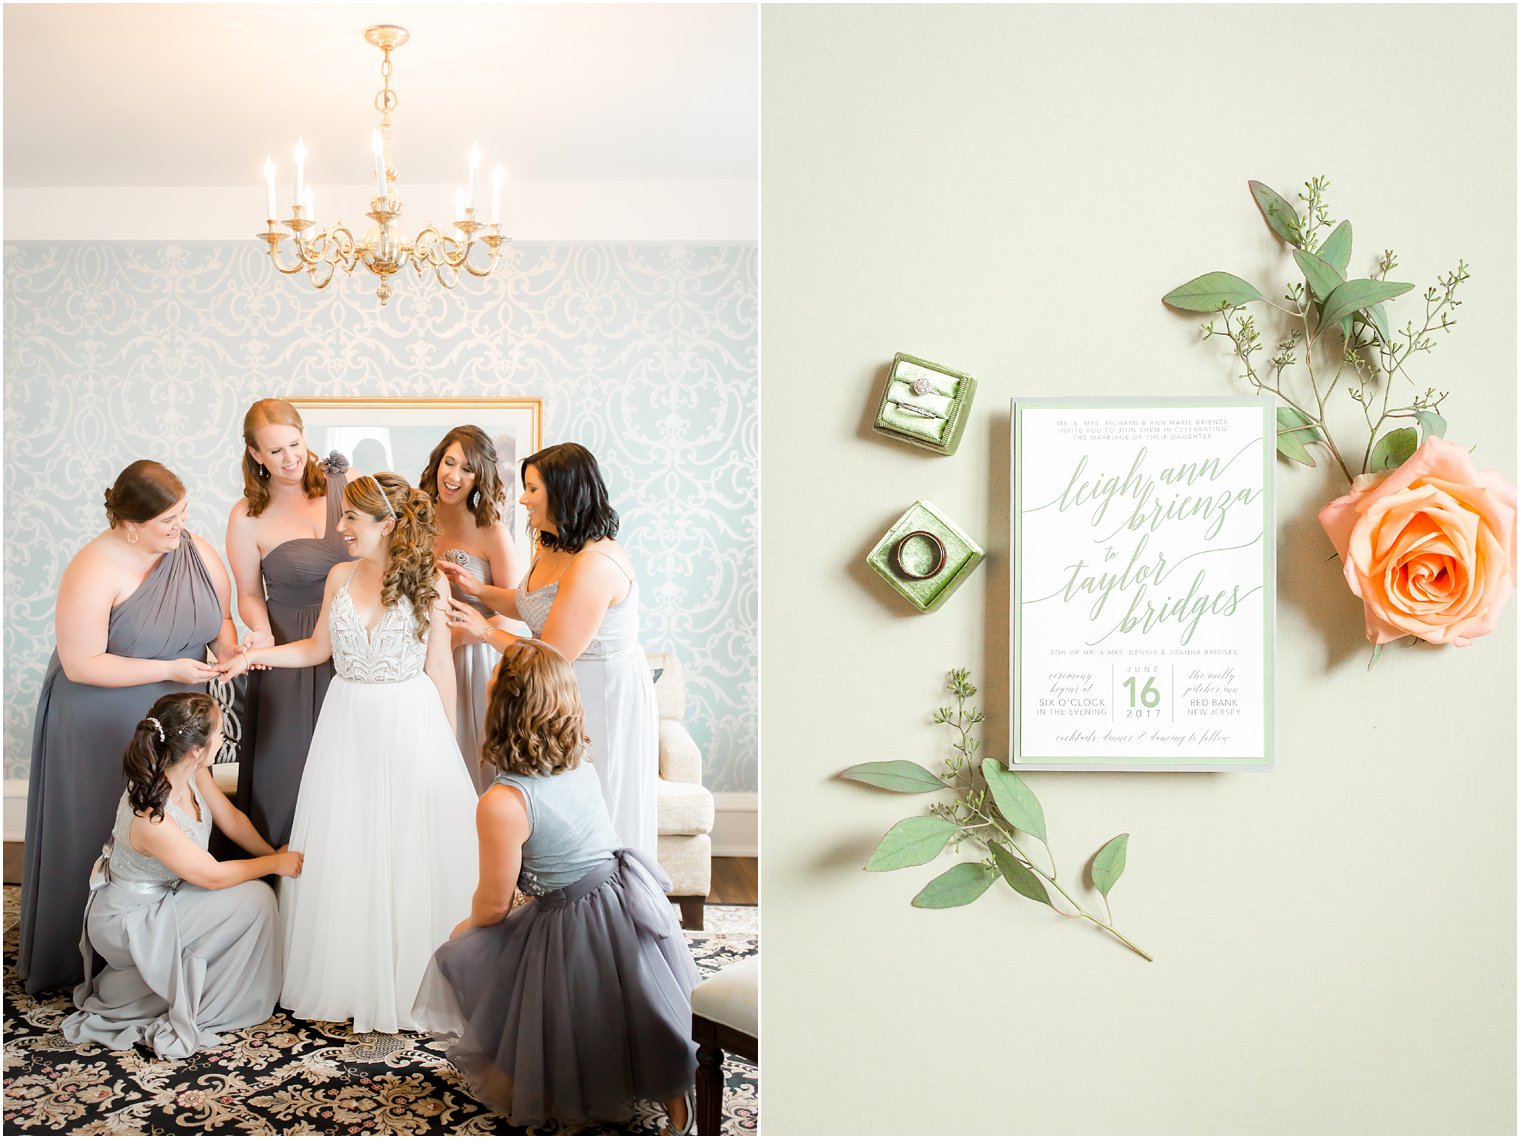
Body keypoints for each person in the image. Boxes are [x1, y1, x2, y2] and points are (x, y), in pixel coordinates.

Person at [219, 472, 478, 1034]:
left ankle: (410, 978)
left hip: (408, 721)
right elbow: (316, 650)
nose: (340, 529)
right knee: (350, 845)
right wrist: (252, 659)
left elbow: (440, 668)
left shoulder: (429, 581)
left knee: (406, 848)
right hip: (346, 724)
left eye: (352, 519)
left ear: (387, 524)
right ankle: (352, 975)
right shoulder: (339, 575)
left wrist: (446, 749)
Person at [412, 639, 696, 1133]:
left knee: (474, 954)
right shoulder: (578, 764)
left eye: (496, 671)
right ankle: (673, 1091)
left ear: (505, 703)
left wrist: (464, 929)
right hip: (625, 895)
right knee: (637, 997)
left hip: (574, 918)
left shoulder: (503, 802)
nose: (489, 673)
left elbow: (496, 905)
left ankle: (554, 1077)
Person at [20, 460, 243, 995]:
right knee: (99, 828)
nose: (180, 527)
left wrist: (232, 651)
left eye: (184, 512)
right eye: (168, 519)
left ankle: (174, 946)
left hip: (177, 713)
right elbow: (81, 663)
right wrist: (168, 669)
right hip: (100, 718)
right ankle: (84, 957)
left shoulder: (197, 551)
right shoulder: (94, 566)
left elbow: (222, 621)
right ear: (130, 524)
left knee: (176, 827)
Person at [441, 443, 657, 856]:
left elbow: (549, 654)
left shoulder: (595, 563)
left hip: (601, 694)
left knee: (601, 798)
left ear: (562, 492)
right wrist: (477, 589)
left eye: (532, 489)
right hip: (563, 688)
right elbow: (531, 603)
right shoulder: (552, 545)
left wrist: (483, 630)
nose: (522, 498)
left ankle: (610, 902)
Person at [63, 693, 300, 1059]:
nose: (224, 739)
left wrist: (274, 853)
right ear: (195, 749)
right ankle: (203, 1008)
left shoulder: (194, 773)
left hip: (164, 898)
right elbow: (212, 877)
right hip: (128, 920)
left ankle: (180, 987)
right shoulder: (151, 816)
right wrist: (274, 867)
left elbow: (232, 821)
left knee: (253, 897)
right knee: (256, 898)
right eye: (220, 733)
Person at [225, 398, 354, 847]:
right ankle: (282, 880)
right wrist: (259, 631)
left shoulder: (349, 487)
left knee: (352, 767)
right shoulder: (247, 516)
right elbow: (247, 593)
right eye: (275, 451)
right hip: (288, 648)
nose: (290, 458)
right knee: (288, 769)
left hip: (358, 646)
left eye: (295, 444)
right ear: (256, 454)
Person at [419, 425, 524, 794]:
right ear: (437, 463)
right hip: (421, 658)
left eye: (467, 469)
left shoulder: (491, 530)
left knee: (472, 754)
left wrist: (459, 635)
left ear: (480, 478)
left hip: (474, 661)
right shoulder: (415, 521)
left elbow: (513, 609)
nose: (454, 476)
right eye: (449, 462)